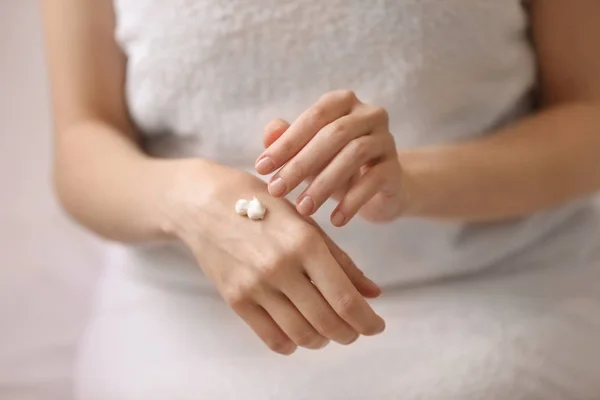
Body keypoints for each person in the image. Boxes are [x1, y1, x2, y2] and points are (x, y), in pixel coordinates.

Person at [41, 0, 600, 398]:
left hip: (497, 295)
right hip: (188, 310)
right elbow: (82, 144)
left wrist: (413, 180)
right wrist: (194, 203)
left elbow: (587, 121)